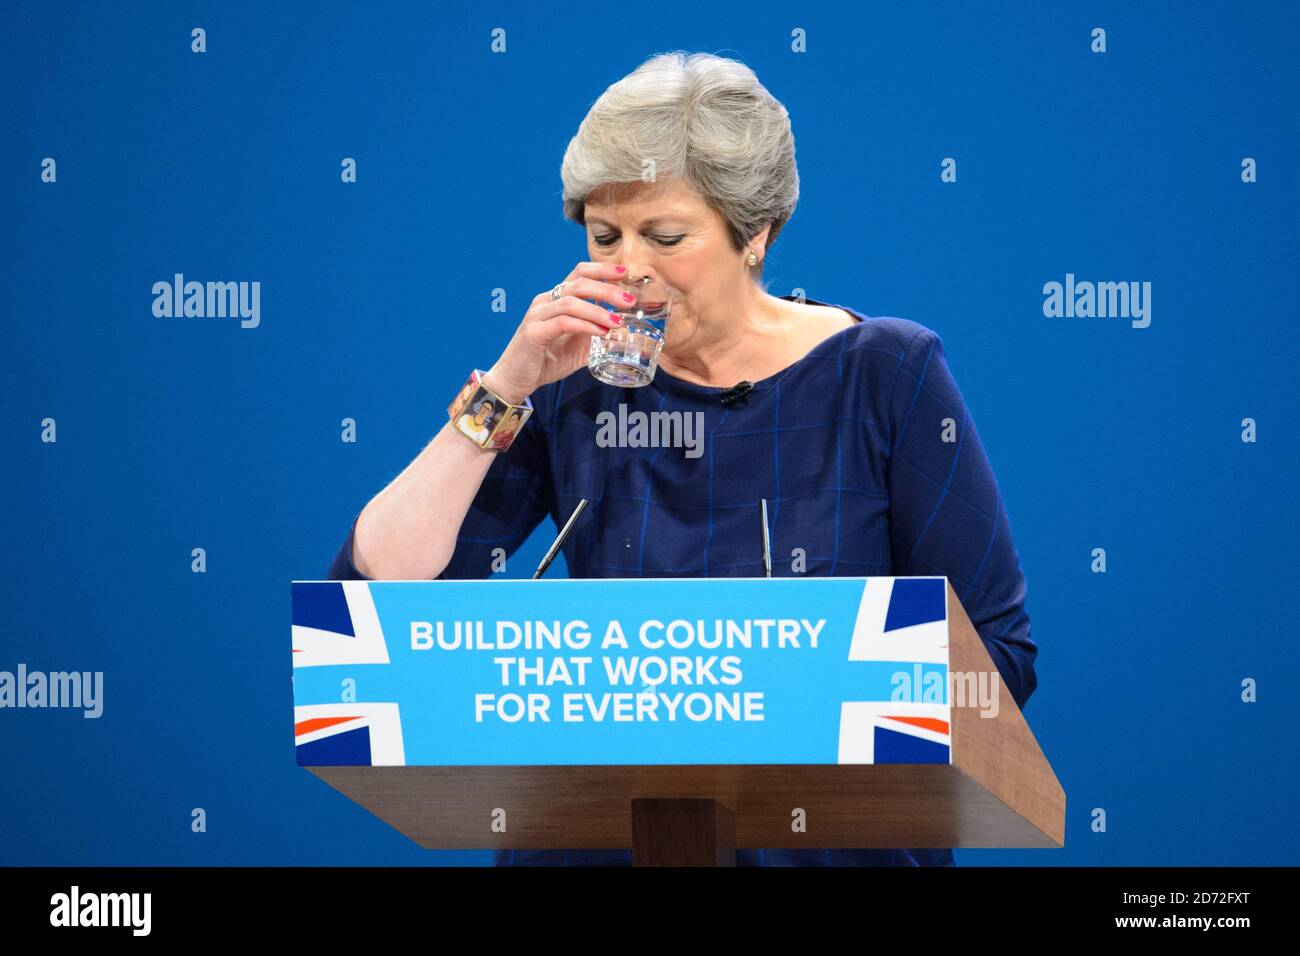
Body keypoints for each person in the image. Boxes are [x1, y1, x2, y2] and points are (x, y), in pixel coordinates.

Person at [326, 50, 1037, 867]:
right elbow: (373, 604)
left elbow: (997, 664)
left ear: (755, 233)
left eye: (665, 235)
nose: (628, 270)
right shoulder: (571, 386)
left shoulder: (885, 374)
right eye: (603, 236)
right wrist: (511, 382)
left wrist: (775, 697)